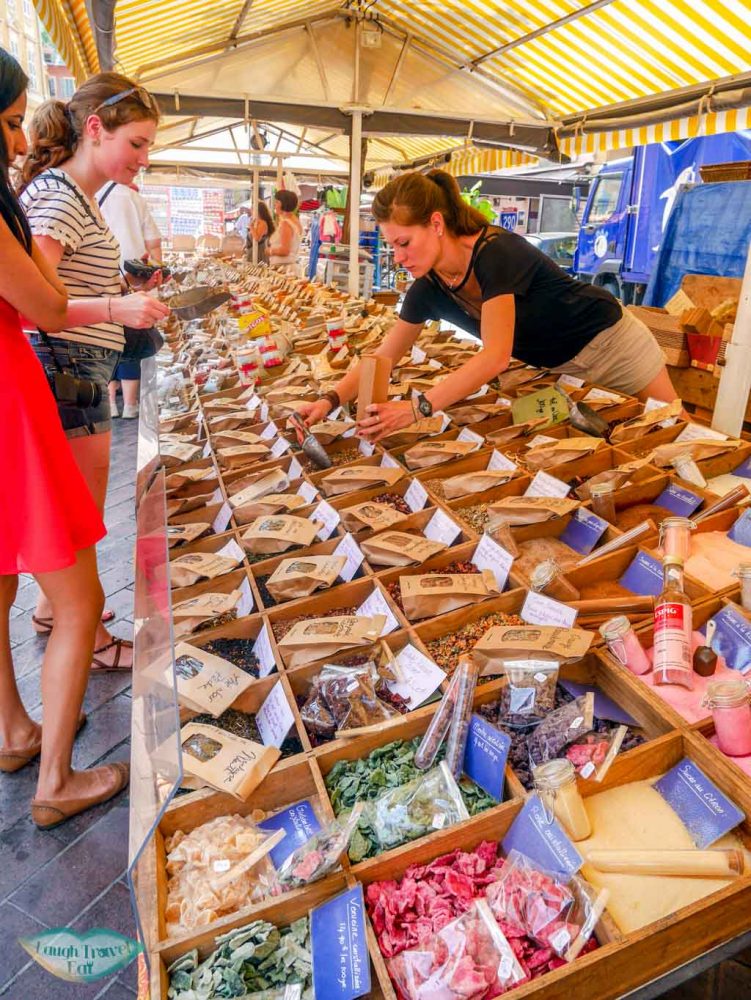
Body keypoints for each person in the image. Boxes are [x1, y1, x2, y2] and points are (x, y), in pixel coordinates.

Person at [299, 170, 679, 442]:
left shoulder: (496, 253)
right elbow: (385, 356)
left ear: (436, 224)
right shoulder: (428, 287)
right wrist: (328, 401)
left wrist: (418, 408)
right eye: (391, 246)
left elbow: (496, 356)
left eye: (404, 243)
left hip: (613, 345)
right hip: (561, 366)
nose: (398, 257)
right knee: (628, 438)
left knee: (675, 429)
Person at [0, 49, 129, 828]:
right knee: (79, 600)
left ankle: (15, 731)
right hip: (12, 402)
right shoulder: (38, 203)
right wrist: (112, 303)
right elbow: (45, 306)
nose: (21, 143)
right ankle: (56, 780)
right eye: (12, 122)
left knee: (3, 580)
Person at [18, 73, 170, 669]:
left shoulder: (75, 195)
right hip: (67, 370)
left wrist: (122, 291)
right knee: (76, 517)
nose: (144, 158)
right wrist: (115, 307)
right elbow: (30, 303)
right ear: (95, 128)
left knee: (74, 511)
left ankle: (55, 611)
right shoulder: (60, 198)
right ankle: (89, 636)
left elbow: (61, 284)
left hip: (78, 368)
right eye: (137, 143)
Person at [98, 180, 163, 418]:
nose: (143, 162)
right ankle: (130, 404)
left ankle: (110, 403)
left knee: (108, 348)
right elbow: (154, 246)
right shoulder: (133, 199)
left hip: (107, 292)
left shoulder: (88, 196)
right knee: (131, 346)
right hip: (124, 288)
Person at [268, 189, 302, 273]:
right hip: (288, 267)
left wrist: (270, 251)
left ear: (282, 204)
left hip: (283, 269)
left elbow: (285, 250)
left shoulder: (286, 223)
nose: (275, 205)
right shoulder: (295, 221)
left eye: (276, 202)